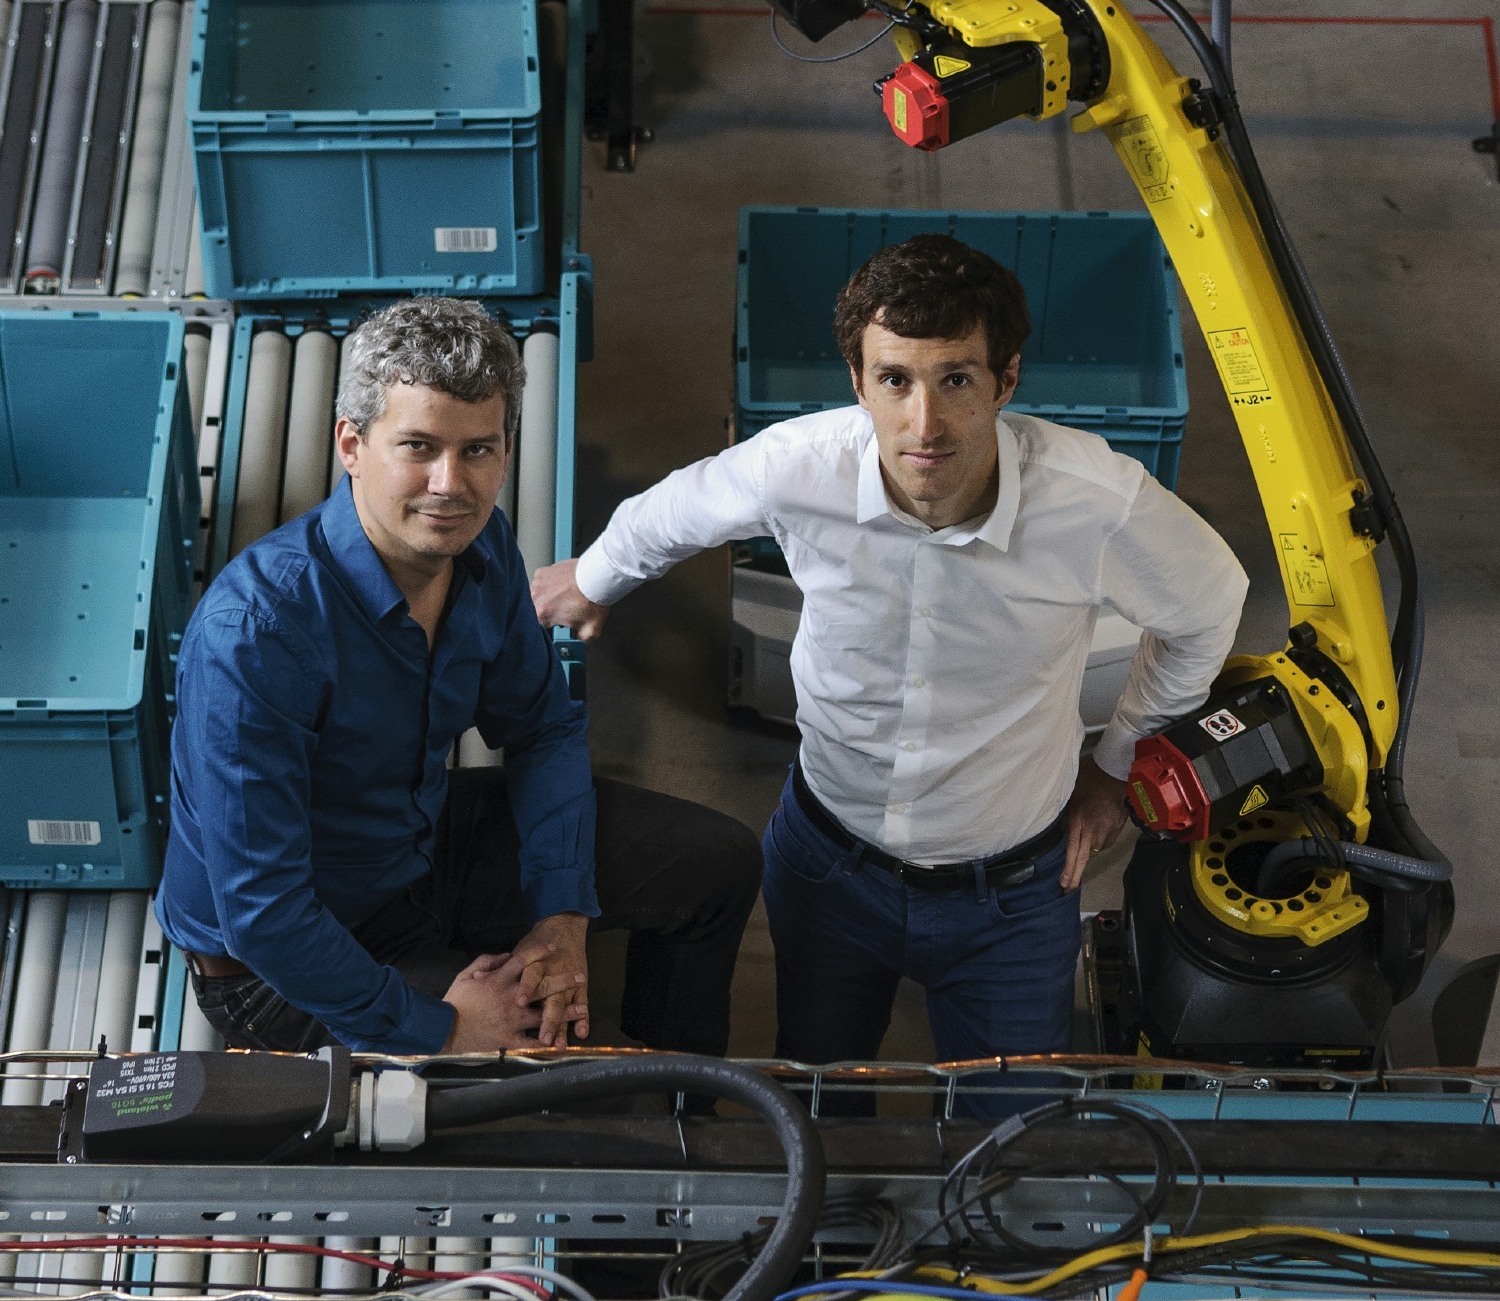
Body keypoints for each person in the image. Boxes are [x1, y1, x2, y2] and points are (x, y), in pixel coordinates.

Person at [533, 234, 1248, 1091]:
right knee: (822, 1103)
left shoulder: (1094, 504)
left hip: (1015, 899)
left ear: (1006, 380)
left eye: (956, 379)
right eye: (895, 380)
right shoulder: (798, 467)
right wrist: (597, 575)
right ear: (859, 383)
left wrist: (1117, 763)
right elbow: (677, 508)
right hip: (829, 871)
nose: (925, 424)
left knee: (1012, 1139)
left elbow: (1209, 606)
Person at [157, 297, 762, 1059]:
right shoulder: (256, 634)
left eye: (479, 450)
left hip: (417, 845)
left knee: (719, 863)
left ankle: (682, 1095)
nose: (451, 484)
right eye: (418, 446)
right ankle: (627, 1103)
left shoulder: (482, 550)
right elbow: (266, 911)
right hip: (279, 955)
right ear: (351, 443)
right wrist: (441, 1028)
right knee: (578, 1082)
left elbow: (541, 728)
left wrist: (562, 910)